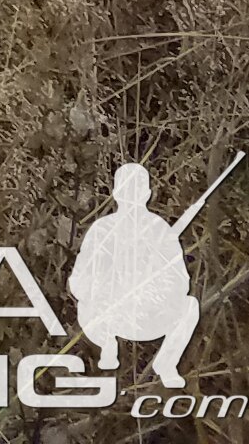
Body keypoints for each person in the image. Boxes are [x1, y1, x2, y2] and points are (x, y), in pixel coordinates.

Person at [72, 162, 202, 388]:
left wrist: (153, 289)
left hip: (149, 317)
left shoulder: (159, 230)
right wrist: (105, 291)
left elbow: (181, 282)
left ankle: (166, 364)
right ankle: (107, 346)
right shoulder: (102, 230)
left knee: (189, 306)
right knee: (84, 305)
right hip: (111, 316)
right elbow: (79, 280)